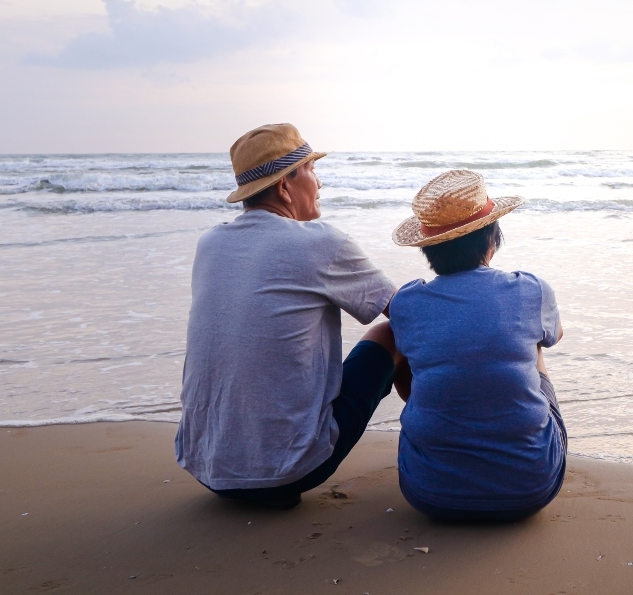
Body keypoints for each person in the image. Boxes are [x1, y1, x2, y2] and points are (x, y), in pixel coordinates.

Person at [175, 123, 405, 510]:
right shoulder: (320, 242)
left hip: (207, 466)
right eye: (313, 170)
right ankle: (445, 444)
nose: (319, 183)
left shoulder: (211, 242)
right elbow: (410, 313)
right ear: (285, 185)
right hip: (287, 471)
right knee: (393, 333)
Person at [389, 169, 566, 522]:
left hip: (429, 494)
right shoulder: (530, 290)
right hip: (529, 490)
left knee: (409, 343)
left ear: (427, 250)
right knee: (533, 346)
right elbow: (555, 335)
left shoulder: (406, 301)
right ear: (492, 239)